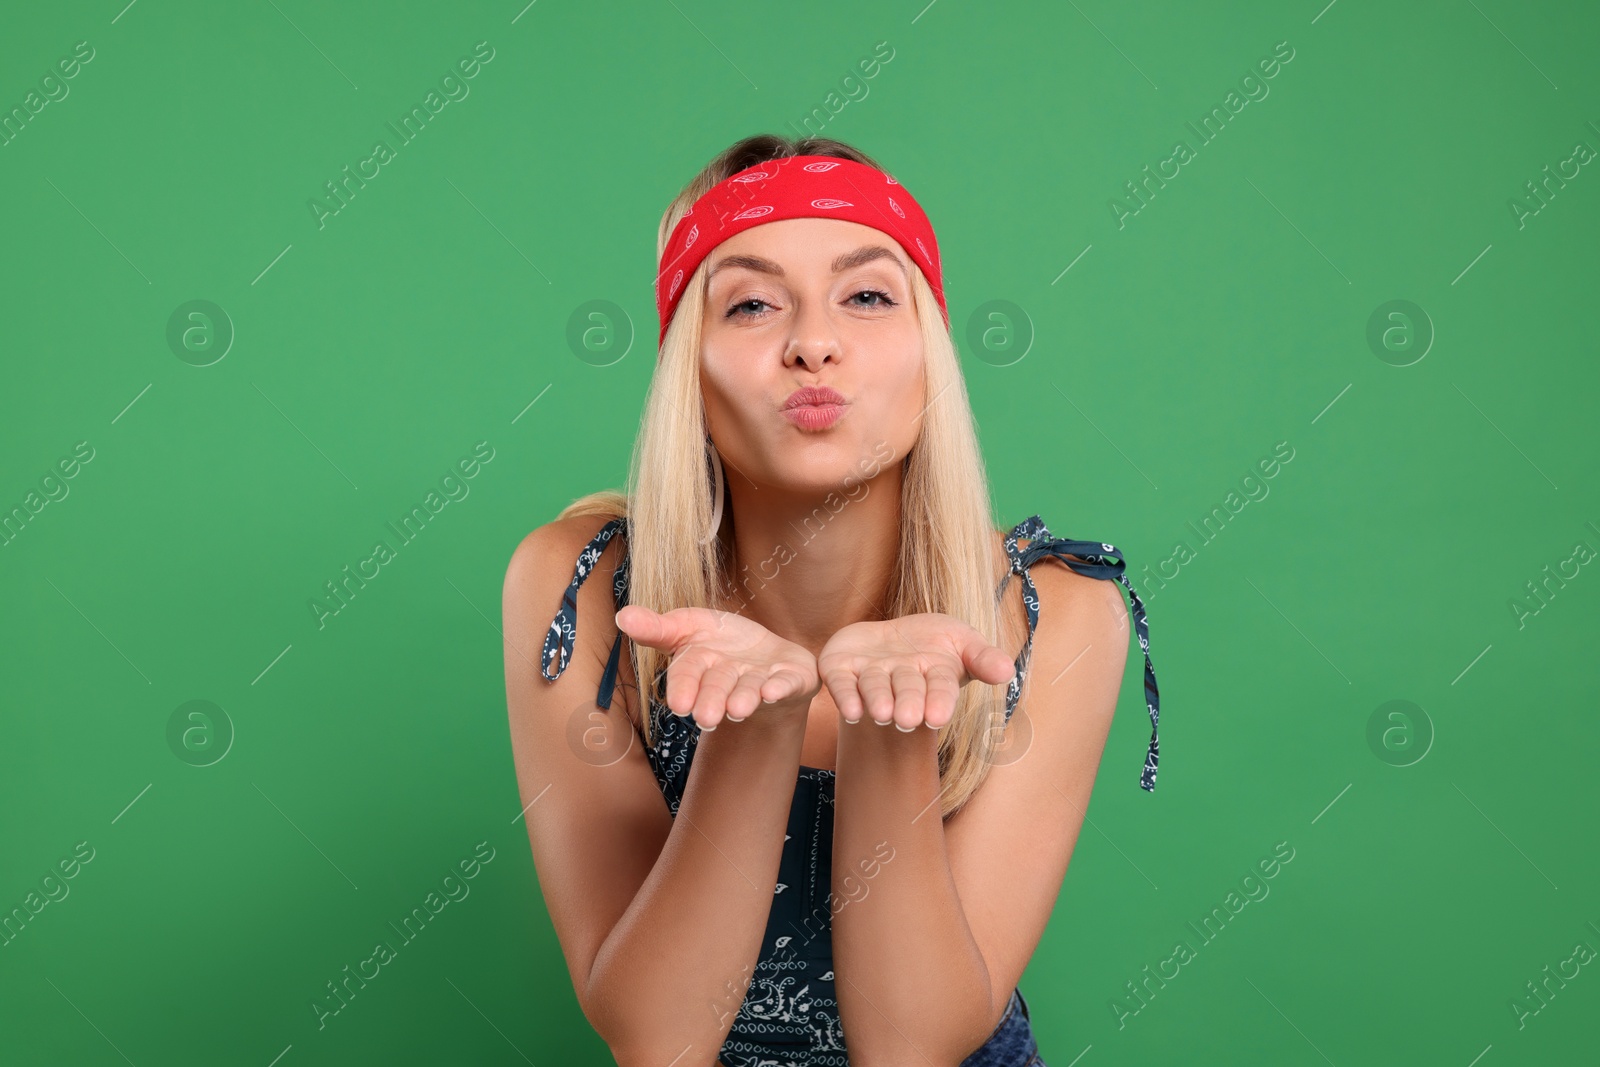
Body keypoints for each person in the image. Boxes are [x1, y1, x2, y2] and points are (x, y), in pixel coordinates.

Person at [501, 134, 1161, 1067]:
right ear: (687, 367)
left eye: (866, 295)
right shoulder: (584, 587)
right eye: (753, 303)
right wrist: (754, 731)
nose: (813, 342)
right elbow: (656, 1039)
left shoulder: (1056, 614)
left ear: (930, 355)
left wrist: (890, 729)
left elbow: (914, 1045)